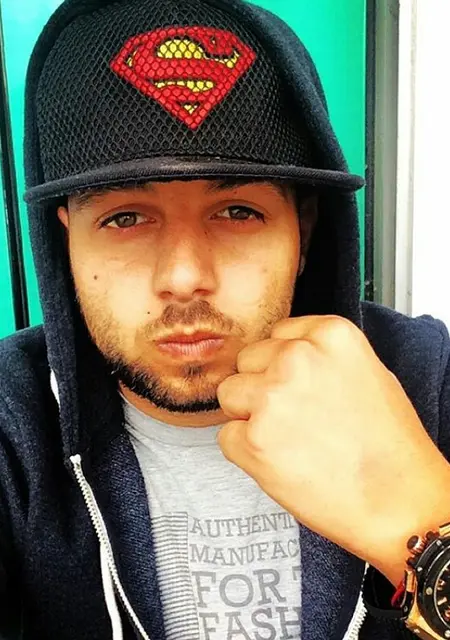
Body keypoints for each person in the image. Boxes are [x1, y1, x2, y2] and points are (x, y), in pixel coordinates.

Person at [1, 0, 450, 638]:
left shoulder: (426, 379)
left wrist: (423, 521)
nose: (184, 275)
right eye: (125, 218)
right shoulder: (13, 421)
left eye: (238, 212)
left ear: (303, 231)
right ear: (67, 239)